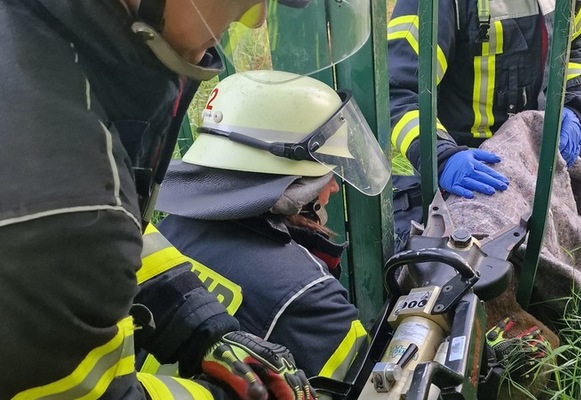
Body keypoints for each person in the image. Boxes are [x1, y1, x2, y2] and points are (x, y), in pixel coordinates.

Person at [0, 0, 367, 397]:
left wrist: (201, 326)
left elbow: (118, 241)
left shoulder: (56, 63)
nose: (257, 17)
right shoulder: (70, 192)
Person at [152, 70, 391, 395]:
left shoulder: (163, 234)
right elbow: (370, 384)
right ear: (293, 191)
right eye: (324, 175)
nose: (333, 186)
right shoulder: (305, 292)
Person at [387, 0, 581, 249]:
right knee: (469, 262)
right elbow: (397, 90)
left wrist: (574, 106)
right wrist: (441, 156)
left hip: (536, 152)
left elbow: (578, 46)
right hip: (466, 165)